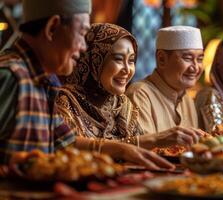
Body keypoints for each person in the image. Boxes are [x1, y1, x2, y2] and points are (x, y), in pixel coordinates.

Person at [0, 0, 173, 170]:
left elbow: (66, 144)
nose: (84, 47)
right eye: (82, 34)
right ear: (52, 28)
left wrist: (124, 149)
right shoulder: (10, 76)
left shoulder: (44, 81)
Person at [57, 23, 200, 150]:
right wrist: (151, 140)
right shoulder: (65, 101)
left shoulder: (123, 105)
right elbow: (68, 151)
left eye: (131, 61)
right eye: (118, 59)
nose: (127, 70)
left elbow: (144, 153)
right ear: (94, 60)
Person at [126, 26, 204, 146]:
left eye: (199, 59)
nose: (196, 67)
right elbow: (140, 151)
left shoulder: (187, 99)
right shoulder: (140, 93)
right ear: (162, 59)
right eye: (188, 58)